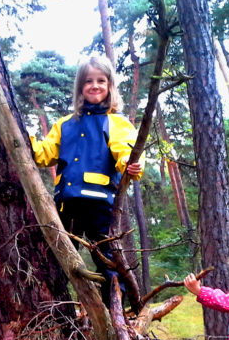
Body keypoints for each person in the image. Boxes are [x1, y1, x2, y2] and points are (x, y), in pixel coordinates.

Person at [31, 55, 145, 306]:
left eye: (101, 80)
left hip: (101, 204)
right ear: (80, 87)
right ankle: (57, 311)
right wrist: (24, 135)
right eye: (89, 81)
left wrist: (131, 166)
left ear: (110, 85)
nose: (95, 85)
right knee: (58, 259)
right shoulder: (65, 124)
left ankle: (115, 311)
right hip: (66, 204)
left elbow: (125, 153)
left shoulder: (117, 122)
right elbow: (42, 155)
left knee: (108, 260)